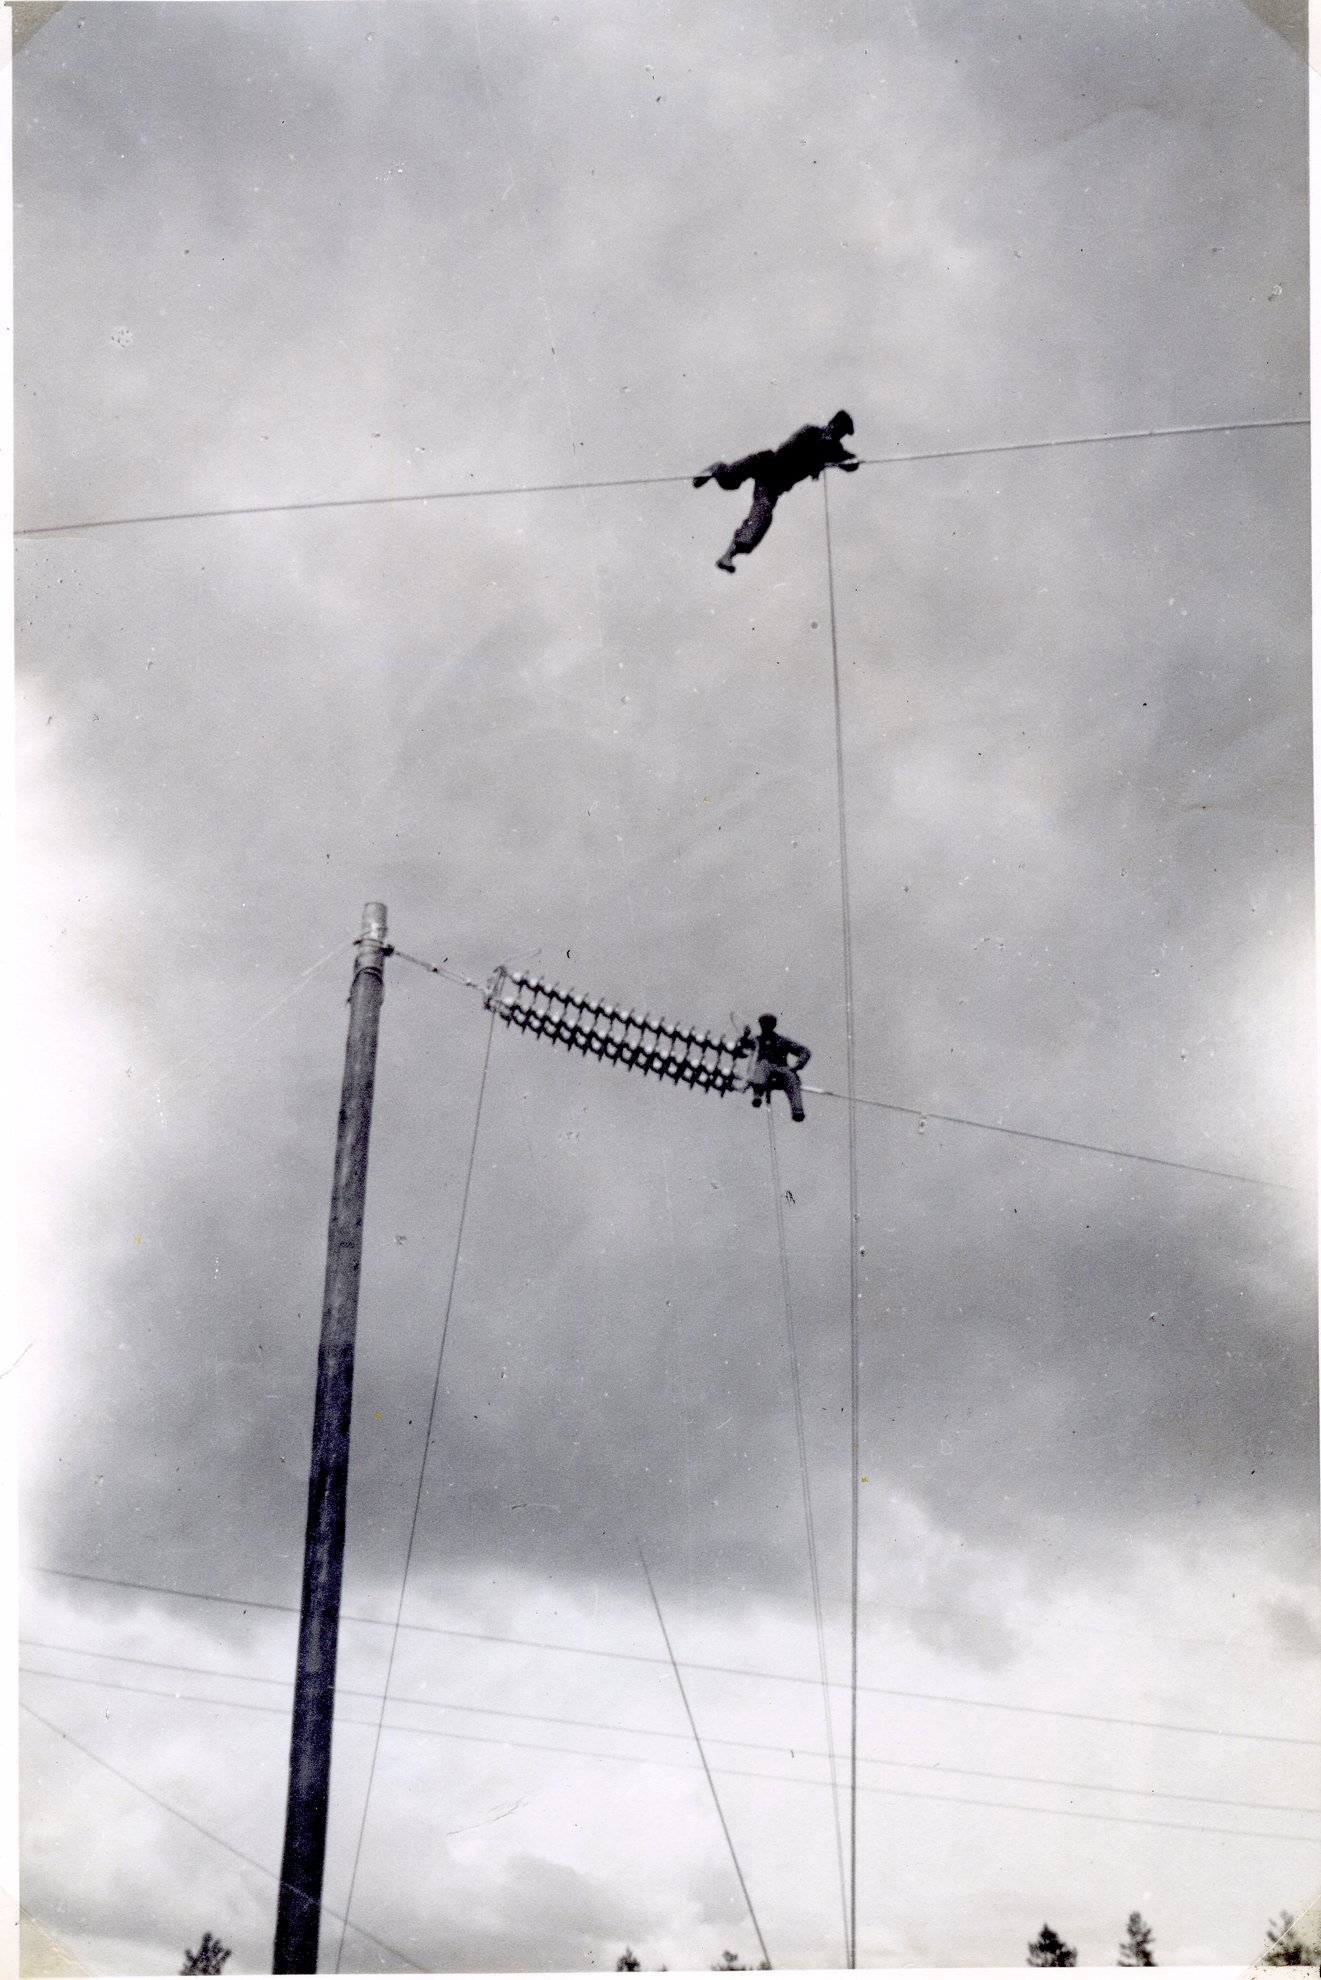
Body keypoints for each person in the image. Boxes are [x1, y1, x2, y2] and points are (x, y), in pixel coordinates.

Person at [694, 411, 860, 572]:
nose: (839, 436)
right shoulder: (811, 431)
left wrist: (843, 460)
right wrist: (817, 459)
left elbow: (851, 462)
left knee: (761, 518)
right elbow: (788, 448)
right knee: (730, 480)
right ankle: (716, 469)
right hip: (766, 463)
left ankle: (727, 556)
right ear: (831, 424)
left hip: (772, 486)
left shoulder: (834, 448)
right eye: (838, 430)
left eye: (842, 434)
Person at [739, 1013, 811, 1121]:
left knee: (792, 1078)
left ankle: (797, 1110)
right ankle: (758, 1095)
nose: (766, 1027)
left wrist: (798, 1064)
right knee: (762, 1065)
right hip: (765, 1070)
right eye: (764, 1025)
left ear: (773, 1026)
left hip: (781, 1068)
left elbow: (804, 1051)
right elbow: (744, 1046)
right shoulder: (757, 1040)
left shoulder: (782, 1040)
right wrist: (745, 1036)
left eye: (769, 1025)